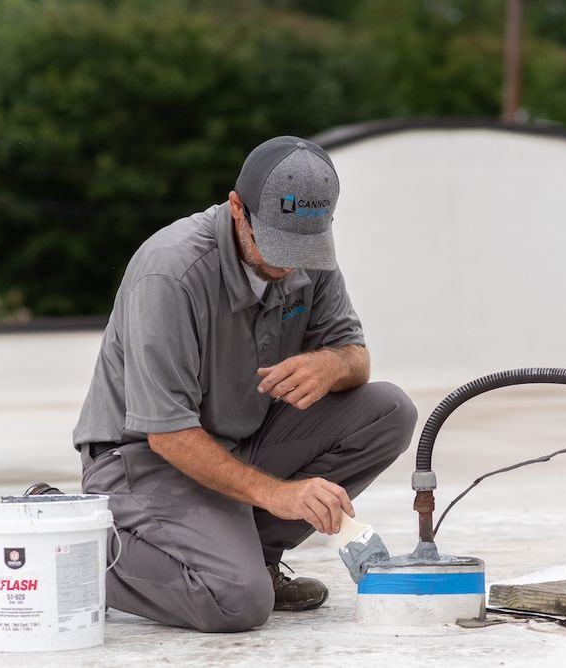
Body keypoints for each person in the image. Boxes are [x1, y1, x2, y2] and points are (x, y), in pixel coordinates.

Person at [45, 136, 418, 633]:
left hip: (237, 444)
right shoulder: (171, 274)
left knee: (388, 410)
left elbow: (355, 356)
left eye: (303, 248)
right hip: (142, 462)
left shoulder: (308, 252)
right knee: (237, 601)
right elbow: (168, 434)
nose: (289, 265)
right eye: (277, 245)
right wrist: (280, 495)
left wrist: (332, 365)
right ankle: (65, 537)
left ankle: (255, 556)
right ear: (237, 208)